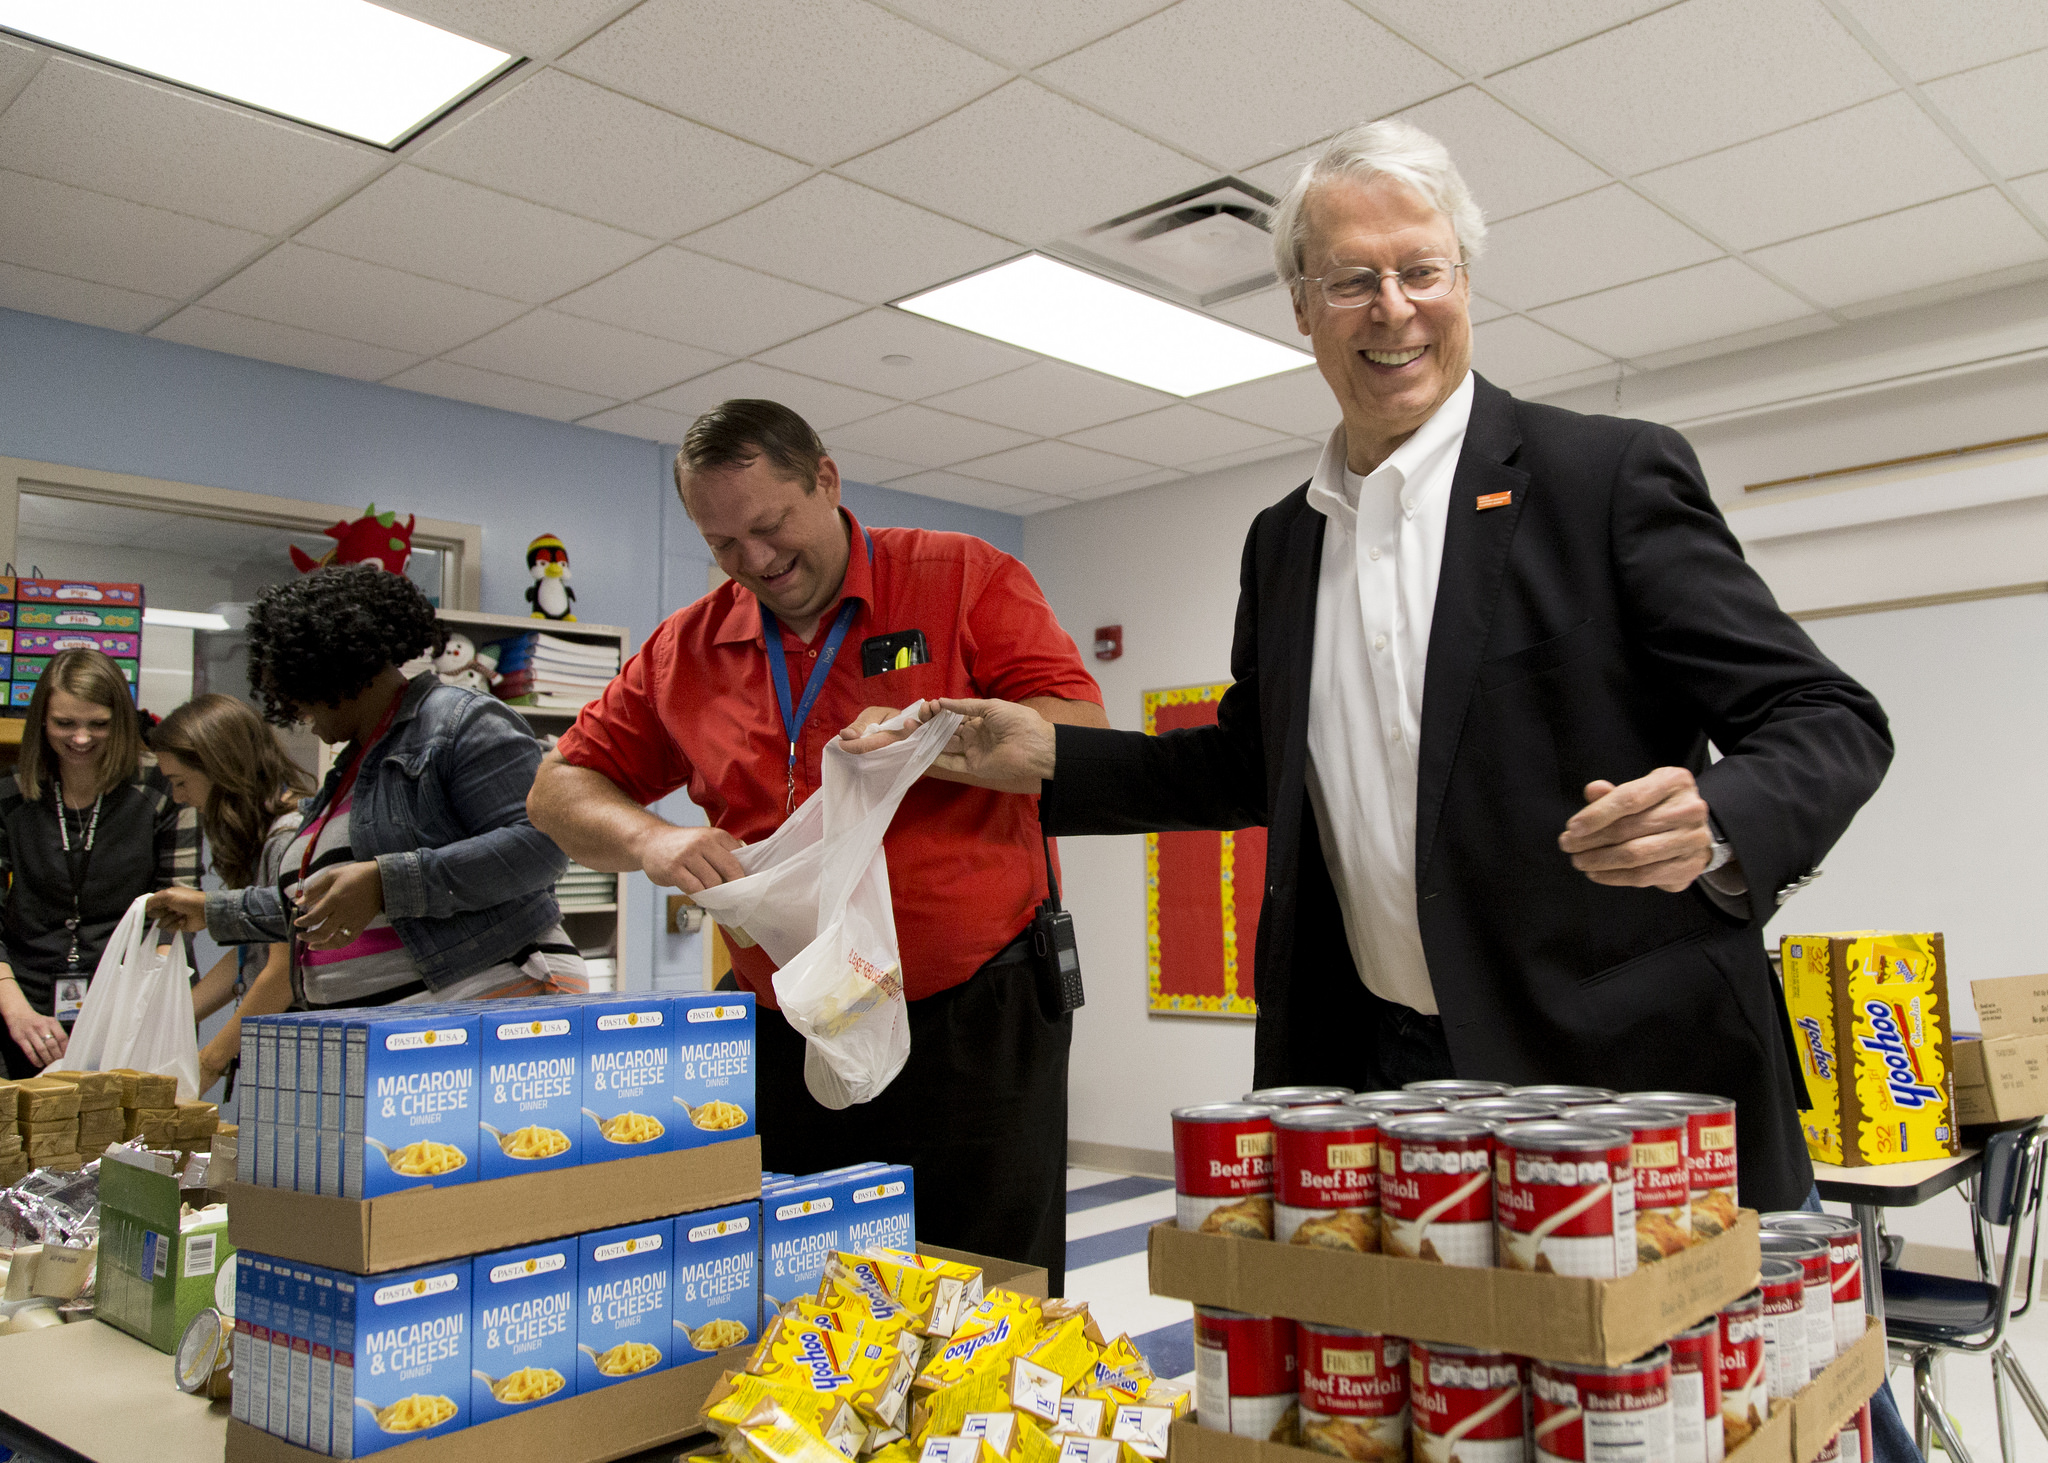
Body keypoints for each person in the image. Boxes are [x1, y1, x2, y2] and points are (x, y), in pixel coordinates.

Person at [852, 124, 1894, 1211]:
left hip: (1614, 1070)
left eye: (1420, 270)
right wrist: (1046, 753)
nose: (1392, 307)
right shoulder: (1285, 539)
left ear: (1462, 280)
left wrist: (1717, 814)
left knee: (1660, 1384)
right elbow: (1255, 764)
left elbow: (1825, 713)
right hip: (1378, 1072)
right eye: (1351, 279)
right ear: (1300, 306)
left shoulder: (1601, 478)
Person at [528, 399, 1107, 1291]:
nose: (755, 561)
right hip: (789, 1014)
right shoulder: (685, 649)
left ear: (827, 481)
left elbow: (1079, 731)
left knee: (988, 1285)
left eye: (769, 525)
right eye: (723, 543)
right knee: (807, 1284)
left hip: (970, 1013)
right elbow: (558, 787)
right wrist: (650, 837)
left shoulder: (962, 578)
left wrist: (932, 735)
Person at [149, 564, 583, 1006]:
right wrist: (211, 911)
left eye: (292, 688)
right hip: (394, 1031)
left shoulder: (460, 720)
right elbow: (321, 904)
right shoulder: (352, 767)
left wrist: (385, 882)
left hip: (490, 999)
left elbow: (541, 847)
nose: (294, 709)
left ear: (327, 670)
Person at [0, 650, 199, 1078]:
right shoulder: (10, 796)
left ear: (121, 722)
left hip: (133, 1002)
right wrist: (15, 1010)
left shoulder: (164, 787)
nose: (82, 739)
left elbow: (177, 909)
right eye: (65, 724)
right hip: (22, 1006)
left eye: (99, 724)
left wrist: (134, 1004)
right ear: (42, 722)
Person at [145, 694, 313, 1093]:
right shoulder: (263, 838)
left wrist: (209, 1062)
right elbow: (250, 955)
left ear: (219, 768)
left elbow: (281, 974)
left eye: (180, 782)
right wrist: (170, 1020)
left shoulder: (287, 839)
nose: (180, 797)